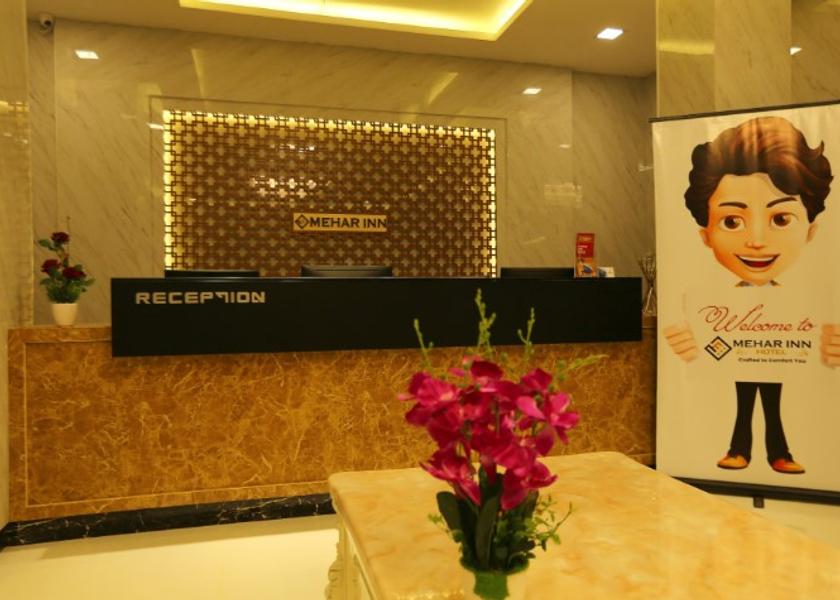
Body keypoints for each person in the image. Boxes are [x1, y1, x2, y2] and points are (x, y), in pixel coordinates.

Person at [664, 116, 837, 474]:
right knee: (744, 391)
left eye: (781, 219)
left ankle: (778, 451)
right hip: (733, 352)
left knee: (771, 393)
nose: (756, 241)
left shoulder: (818, 295)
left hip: (786, 355)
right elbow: (685, 355)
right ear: (706, 235)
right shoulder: (695, 295)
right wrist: (681, 346)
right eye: (732, 221)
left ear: (810, 230)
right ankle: (743, 448)